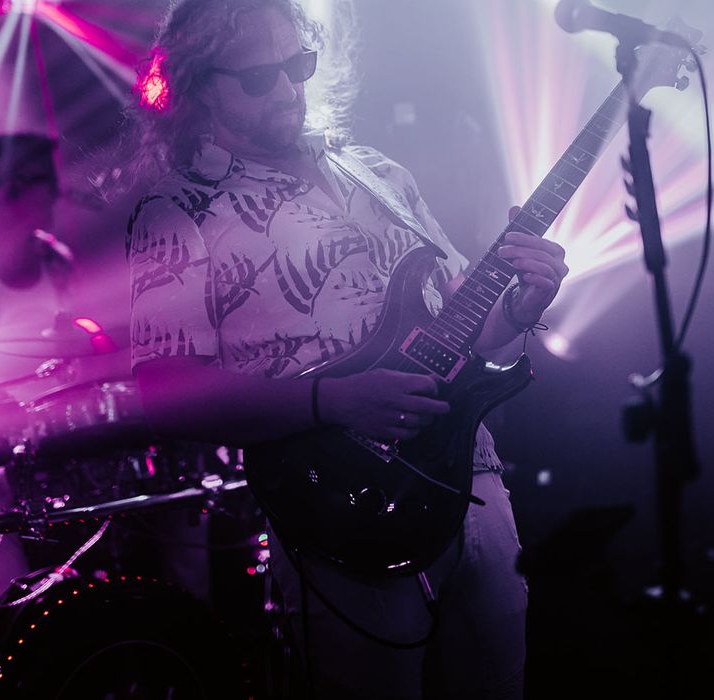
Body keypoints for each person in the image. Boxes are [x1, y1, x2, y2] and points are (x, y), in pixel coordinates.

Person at [125, 1, 569, 698]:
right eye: (259, 78)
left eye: (298, 66)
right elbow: (163, 390)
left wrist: (519, 307)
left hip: (472, 481)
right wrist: (331, 400)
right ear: (198, 84)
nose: (287, 90)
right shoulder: (177, 208)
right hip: (339, 507)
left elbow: (459, 332)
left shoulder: (379, 174)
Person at [0, 133, 77, 611]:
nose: (57, 195)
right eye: (48, 182)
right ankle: (20, 635)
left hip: (52, 438)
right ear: (10, 188)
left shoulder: (55, 259)